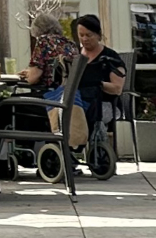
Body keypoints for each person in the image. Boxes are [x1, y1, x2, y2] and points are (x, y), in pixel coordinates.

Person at [45, 14, 126, 151]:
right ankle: (61, 151)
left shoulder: (110, 58)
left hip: (104, 104)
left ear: (99, 35)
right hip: (76, 101)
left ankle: (69, 148)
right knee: (54, 108)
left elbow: (117, 89)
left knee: (69, 113)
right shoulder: (75, 56)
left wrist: (98, 84)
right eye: (81, 35)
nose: (84, 39)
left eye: (89, 35)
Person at [18, 15, 78, 91]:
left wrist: (27, 76)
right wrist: (30, 72)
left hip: (51, 93)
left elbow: (33, 78)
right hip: (69, 93)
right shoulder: (70, 43)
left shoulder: (43, 40)